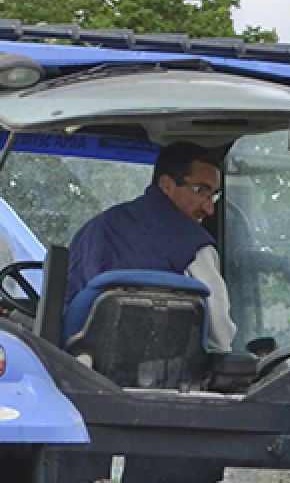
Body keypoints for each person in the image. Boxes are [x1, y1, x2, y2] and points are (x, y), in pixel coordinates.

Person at [65, 142, 237, 351]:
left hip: (80, 369)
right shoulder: (194, 245)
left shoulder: (92, 229)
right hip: (166, 373)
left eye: (213, 196)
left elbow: (66, 309)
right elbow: (219, 336)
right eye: (201, 191)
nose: (209, 208)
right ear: (166, 185)